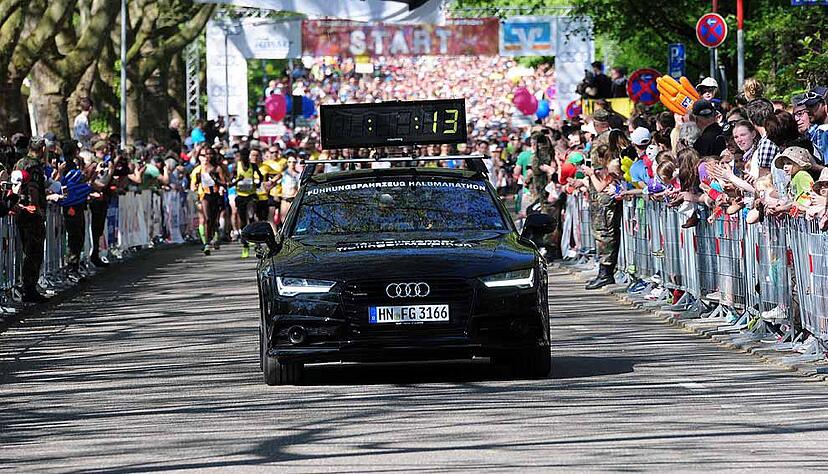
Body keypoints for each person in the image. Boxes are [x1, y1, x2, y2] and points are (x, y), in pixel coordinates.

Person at [13, 138, 50, 303]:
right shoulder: (34, 166)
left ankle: (26, 286)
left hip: (21, 211)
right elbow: (33, 189)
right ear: (42, 148)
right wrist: (37, 207)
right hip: (31, 215)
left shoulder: (20, 162)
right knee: (34, 251)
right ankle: (29, 288)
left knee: (27, 251)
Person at [583, 146, 622, 290]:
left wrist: (592, 174)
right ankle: (602, 273)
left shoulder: (612, 169)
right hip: (601, 211)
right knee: (600, 239)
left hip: (607, 213)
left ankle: (606, 273)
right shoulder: (606, 170)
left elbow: (600, 187)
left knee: (606, 239)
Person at [190, 146, 227, 255]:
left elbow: (224, 183)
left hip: (215, 196)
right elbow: (194, 185)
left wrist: (217, 181)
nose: (207, 157)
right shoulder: (198, 170)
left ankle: (215, 235)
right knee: (206, 219)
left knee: (214, 220)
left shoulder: (217, 168)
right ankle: (206, 244)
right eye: (204, 155)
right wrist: (196, 192)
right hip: (204, 196)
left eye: (209, 154)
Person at [85, 140, 113, 267]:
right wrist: (98, 187)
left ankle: (95, 255)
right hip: (93, 200)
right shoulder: (93, 162)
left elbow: (105, 182)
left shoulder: (106, 164)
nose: (106, 152)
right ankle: (90, 256)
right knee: (92, 229)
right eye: (104, 149)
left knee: (99, 229)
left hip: (103, 199)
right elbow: (97, 183)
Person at [60, 169, 92, 279]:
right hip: (72, 212)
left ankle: (74, 267)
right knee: (75, 238)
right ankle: (71, 268)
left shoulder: (77, 187)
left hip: (77, 211)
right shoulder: (72, 187)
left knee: (78, 238)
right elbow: (88, 187)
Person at [233, 148, 264, 258]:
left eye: (246, 156)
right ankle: (245, 244)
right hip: (241, 196)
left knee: (251, 217)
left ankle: (256, 243)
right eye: (242, 157)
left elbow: (261, 177)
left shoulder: (253, 166)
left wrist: (258, 184)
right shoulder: (236, 166)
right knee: (242, 220)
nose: (244, 159)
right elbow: (230, 182)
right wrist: (238, 180)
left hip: (251, 195)